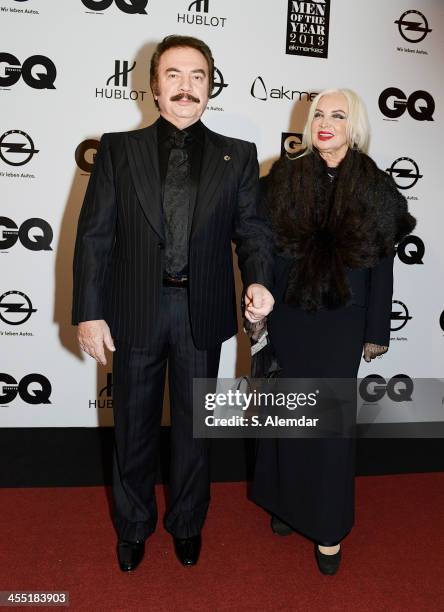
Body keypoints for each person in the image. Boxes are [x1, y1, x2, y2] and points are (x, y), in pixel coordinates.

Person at [72, 35, 274, 572]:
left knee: (193, 433)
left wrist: (257, 279)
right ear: (154, 88)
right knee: (133, 429)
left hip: (201, 313)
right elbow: (94, 238)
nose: (186, 87)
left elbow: (252, 232)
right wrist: (89, 312)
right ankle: (134, 527)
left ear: (211, 86)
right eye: (174, 75)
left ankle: (187, 524)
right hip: (134, 310)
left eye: (197, 76)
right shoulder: (118, 148)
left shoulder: (239, 155)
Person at [250, 89, 415, 575]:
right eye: (318, 114)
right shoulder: (283, 177)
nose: (325, 122)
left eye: (337, 115)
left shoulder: (376, 187)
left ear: (354, 125)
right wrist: (261, 313)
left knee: (329, 430)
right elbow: (265, 249)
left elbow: (382, 267)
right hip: (290, 316)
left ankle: (328, 528)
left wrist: (376, 329)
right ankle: (284, 504)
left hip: (343, 321)